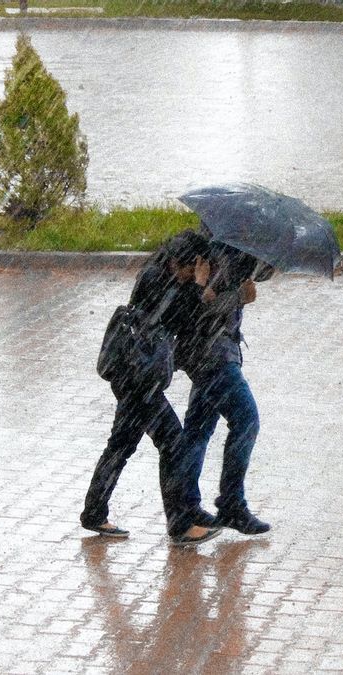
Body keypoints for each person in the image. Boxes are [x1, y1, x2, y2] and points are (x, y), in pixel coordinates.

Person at [80, 231, 225, 546]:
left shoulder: (165, 276)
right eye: (196, 267)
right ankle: (180, 525)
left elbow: (184, 319)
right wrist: (199, 290)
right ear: (181, 262)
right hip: (137, 379)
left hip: (133, 375)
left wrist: (200, 291)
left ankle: (94, 512)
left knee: (121, 444)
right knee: (172, 442)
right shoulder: (157, 278)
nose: (197, 273)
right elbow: (183, 319)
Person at [173, 241, 274, 536]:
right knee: (246, 419)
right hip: (212, 356)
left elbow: (260, 273)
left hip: (212, 353)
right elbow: (200, 309)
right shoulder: (216, 253)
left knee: (198, 429)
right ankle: (230, 503)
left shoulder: (237, 249)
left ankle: (186, 507)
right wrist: (239, 297)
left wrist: (270, 257)